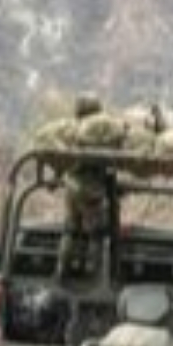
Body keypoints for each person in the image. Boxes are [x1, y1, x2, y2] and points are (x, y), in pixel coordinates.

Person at [55, 93, 120, 281]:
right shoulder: (98, 130)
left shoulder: (73, 129)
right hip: (90, 187)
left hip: (72, 185)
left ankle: (63, 268)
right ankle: (92, 273)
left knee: (70, 230)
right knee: (96, 233)